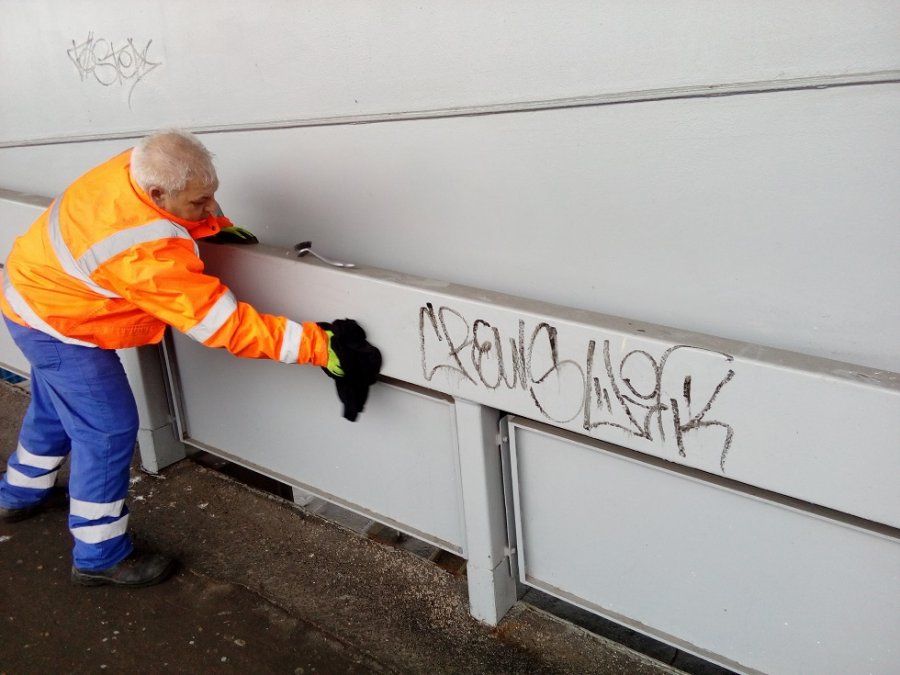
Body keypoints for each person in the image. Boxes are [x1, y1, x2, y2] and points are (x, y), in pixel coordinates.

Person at [0, 129, 378, 588]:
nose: (210, 207)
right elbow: (223, 326)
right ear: (158, 193)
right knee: (107, 430)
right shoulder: (143, 253)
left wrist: (209, 225)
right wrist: (321, 345)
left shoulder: (138, 166)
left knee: (56, 406)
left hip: (32, 300)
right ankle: (98, 554)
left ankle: (20, 494)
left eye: (212, 196)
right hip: (60, 325)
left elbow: (173, 211)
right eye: (200, 204)